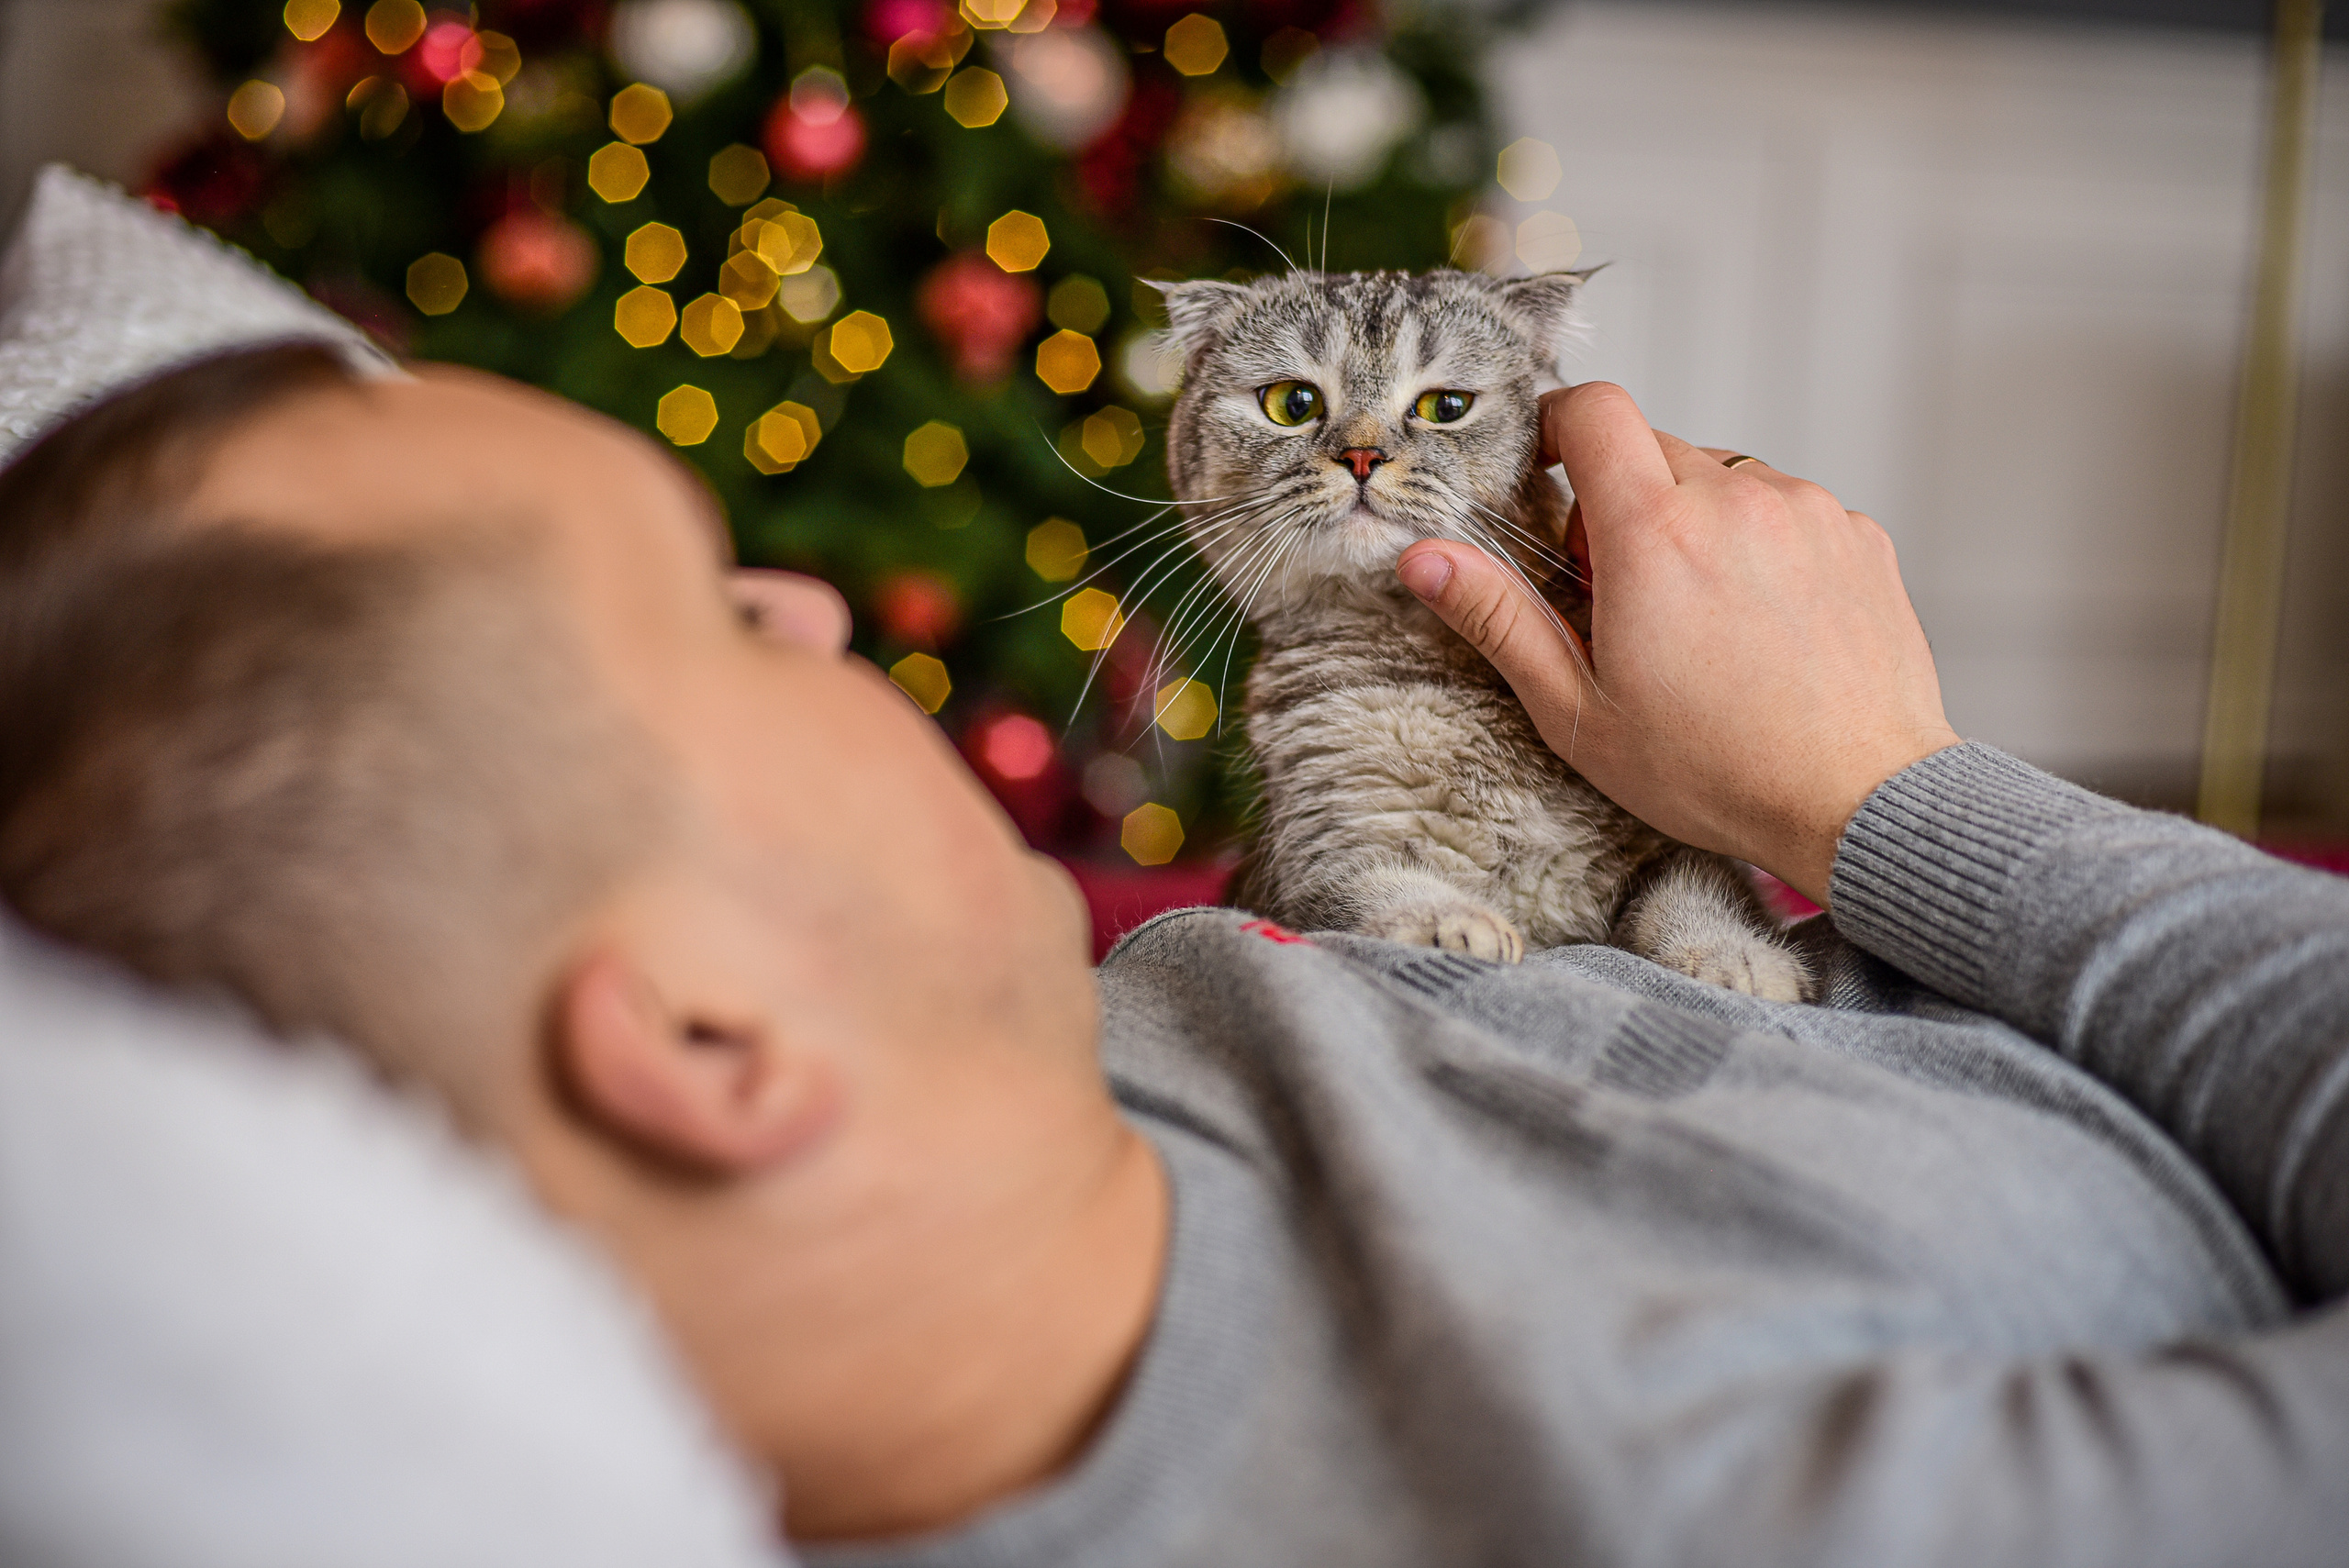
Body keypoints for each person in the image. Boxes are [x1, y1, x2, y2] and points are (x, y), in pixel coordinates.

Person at [2, 208, 2343, 1567]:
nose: (822, 612)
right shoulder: (1682, 1490)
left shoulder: (1150, 1018)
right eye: (725, 612)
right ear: (709, 1034)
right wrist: (1891, 792)